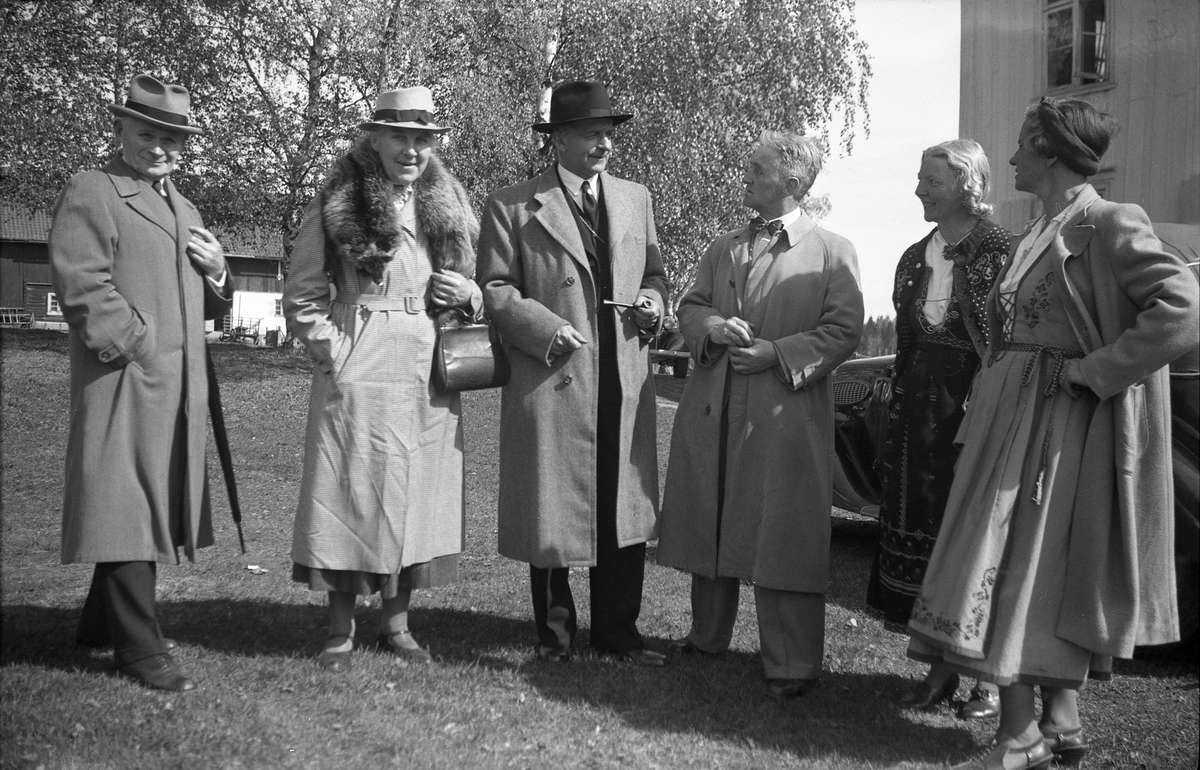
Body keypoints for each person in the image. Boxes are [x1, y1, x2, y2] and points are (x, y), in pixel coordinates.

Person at [907, 98, 1199, 770]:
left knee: (1013, 562)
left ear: (1050, 149)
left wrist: (1097, 371)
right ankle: (1056, 722)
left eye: (1020, 144)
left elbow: (1183, 311)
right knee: (1031, 564)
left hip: (1056, 423)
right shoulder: (1041, 226)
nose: (1009, 158)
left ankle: (1022, 733)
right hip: (1009, 417)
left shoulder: (1106, 222)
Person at [656, 130, 864, 698]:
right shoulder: (724, 246)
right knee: (712, 515)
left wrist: (778, 352)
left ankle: (792, 663)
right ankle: (706, 637)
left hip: (785, 413)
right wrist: (713, 329)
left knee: (786, 530)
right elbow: (692, 306)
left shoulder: (832, 251)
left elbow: (845, 330)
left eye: (756, 168)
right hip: (714, 406)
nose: (743, 175)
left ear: (792, 182)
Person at [284, 86, 480, 671]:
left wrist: (467, 293)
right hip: (358, 359)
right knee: (347, 486)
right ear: (376, 137)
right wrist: (333, 351)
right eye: (401, 137)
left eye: (423, 140)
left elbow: (483, 277)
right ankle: (340, 630)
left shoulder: (448, 199)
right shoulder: (340, 194)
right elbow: (301, 292)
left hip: (427, 364)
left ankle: (398, 624)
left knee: (417, 490)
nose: (413, 151)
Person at [49, 74, 232, 692]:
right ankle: (138, 646)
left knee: (145, 501)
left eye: (173, 138)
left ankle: (100, 625)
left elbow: (208, 309)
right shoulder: (93, 190)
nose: (161, 147)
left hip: (178, 387)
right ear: (121, 128)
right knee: (126, 501)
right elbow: (82, 285)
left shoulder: (185, 207)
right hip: (122, 380)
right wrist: (138, 342)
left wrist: (219, 273)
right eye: (149, 133)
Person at [476, 81, 668, 666]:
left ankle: (618, 634)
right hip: (553, 375)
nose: (604, 143)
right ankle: (555, 638)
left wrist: (655, 303)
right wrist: (543, 328)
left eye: (609, 133)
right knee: (552, 504)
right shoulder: (512, 205)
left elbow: (656, 273)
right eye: (591, 133)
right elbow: (495, 288)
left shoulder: (636, 199)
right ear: (558, 140)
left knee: (622, 504)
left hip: (622, 377)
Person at [865, 140, 1008, 719]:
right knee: (929, 537)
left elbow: (1004, 343)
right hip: (918, 419)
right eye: (920, 178)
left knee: (977, 539)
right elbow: (906, 344)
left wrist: (986, 407)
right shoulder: (912, 257)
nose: (919, 189)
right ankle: (940, 670)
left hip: (974, 411)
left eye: (932, 180)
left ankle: (987, 683)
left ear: (968, 185)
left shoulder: (1001, 250)